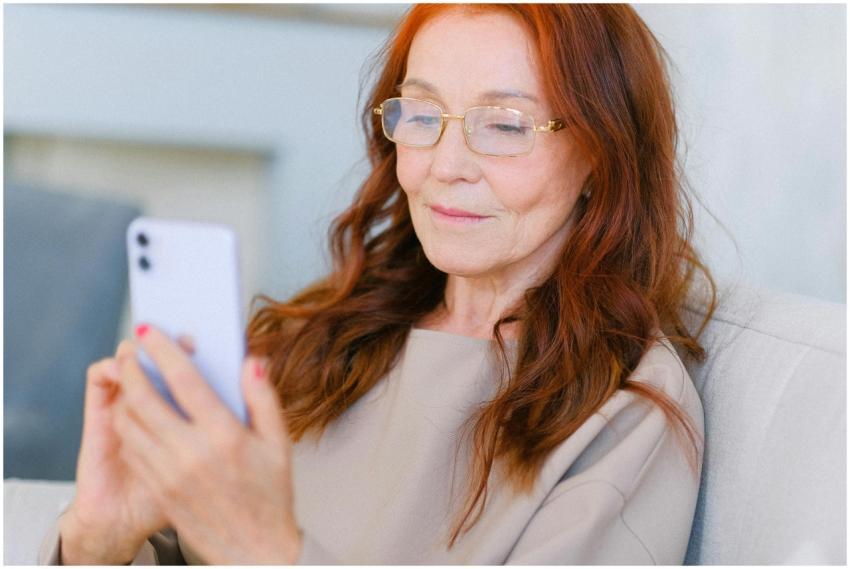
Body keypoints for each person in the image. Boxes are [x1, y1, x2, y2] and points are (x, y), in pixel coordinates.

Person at [39, 3, 718, 564]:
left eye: (505, 125)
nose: (445, 164)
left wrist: (266, 549)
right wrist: (94, 543)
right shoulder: (320, 340)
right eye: (421, 116)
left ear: (603, 152)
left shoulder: (627, 413)